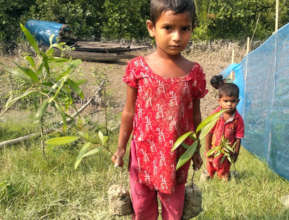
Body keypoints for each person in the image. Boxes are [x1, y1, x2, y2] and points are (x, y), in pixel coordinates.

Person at [111, 0, 208, 219]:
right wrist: (120, 148)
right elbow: (129, 112)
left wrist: (195, 151)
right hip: (143, 154)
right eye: (168, 28)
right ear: (151, 28)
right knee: (143, 208)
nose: (177, 36)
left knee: (174, 212)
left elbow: (195, 116)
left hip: (177, 156)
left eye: (185, 29)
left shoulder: (194, 72)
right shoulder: (138, 68)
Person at [204, 75, 245, 181]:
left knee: (224, 167)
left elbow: (238, 138)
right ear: (219, 101)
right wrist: (208, 150)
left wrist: (235, 153)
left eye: (232, 101)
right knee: (211, 165)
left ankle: (224, 176)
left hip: (227, 151)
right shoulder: (215, 116)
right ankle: (208, 175)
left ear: (238, 101)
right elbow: (209, 133)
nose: (229, 104)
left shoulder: (238, 119)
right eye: (226, 101)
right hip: (214, 148)